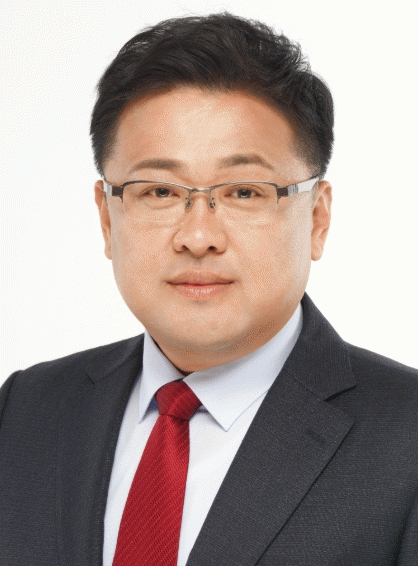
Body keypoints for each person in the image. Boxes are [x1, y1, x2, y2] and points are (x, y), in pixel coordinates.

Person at [1, 11, 417, 566]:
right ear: (106, 218)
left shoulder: (407, 438)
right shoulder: (25, 410)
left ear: (317, 219)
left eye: (245, 192)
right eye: (158, 192)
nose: (198, 237)